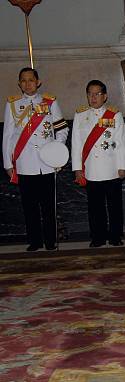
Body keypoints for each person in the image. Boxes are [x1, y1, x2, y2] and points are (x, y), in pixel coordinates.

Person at [2, 67, 69, 252]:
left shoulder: (50, 102)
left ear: (38, 82)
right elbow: (8, 136)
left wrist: (56, 150)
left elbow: (62, 129)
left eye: (31, 80)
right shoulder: (12, 104)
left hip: (47, 163)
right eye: (23, 81)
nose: (27, 84)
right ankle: (35, 241)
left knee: (48, 206)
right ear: (19, 84)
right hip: (24, 163)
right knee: (29, 207)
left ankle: (50, 241)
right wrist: (8, 163)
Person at [71, 80, 125, 247]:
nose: (93, 97)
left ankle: (115, 236)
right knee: (95, 207)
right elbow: (76, 144)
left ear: (105, 96)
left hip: (111, 168)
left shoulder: (114, 114)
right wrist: (77, 168)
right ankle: (97, 237)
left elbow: (121, 142)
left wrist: (123, 166)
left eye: (97, 94)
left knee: (114, 206)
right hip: (91, 169)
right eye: (90, 93)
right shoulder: (80, 115)